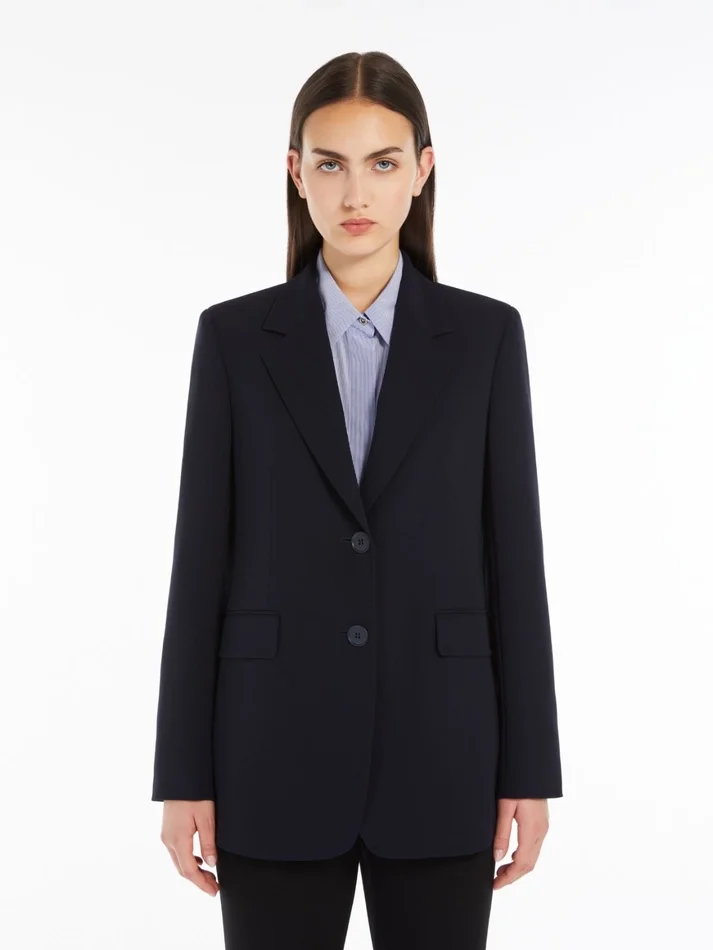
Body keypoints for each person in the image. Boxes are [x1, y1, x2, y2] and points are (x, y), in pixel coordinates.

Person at [151, 49, 563, 950]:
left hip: (445, 751)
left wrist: (531, 769)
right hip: (269, 753)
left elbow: (514, 563)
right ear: (295, 173)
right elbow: (200, 563)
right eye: (330, 164)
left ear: (422, 170)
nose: (355, 193)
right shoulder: (233, 339)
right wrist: (181, 776)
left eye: (382, 162)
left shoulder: (486, 338)